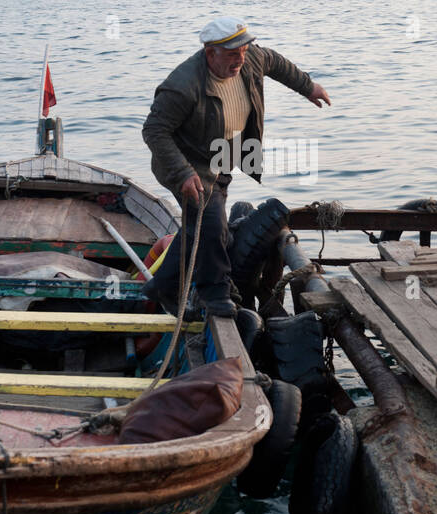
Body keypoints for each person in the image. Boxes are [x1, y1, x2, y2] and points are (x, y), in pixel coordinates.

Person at [141, 16, 331, 317]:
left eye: (243, 51)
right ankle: (214, 293)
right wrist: (183, 173)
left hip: (223, 155)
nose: (239, 59)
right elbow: (154, 131)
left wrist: (308, 87)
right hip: (187, 164)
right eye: (231, 54)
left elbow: (278, 64)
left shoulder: (251, 58)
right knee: (212, 224)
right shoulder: (183, 85)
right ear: (210, 53)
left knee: (197, 228)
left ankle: (162, 287)